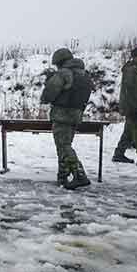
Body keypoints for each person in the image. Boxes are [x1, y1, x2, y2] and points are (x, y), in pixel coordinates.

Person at [40, 48, 94, 190]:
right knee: (64, 145)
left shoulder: (64, 73)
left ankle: (79, 174)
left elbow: (50, 93)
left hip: (62, 114)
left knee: (63, 145)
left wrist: (47, 87)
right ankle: (63, 175)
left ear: (59, 62)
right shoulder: (83, 74)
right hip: (76, 114)